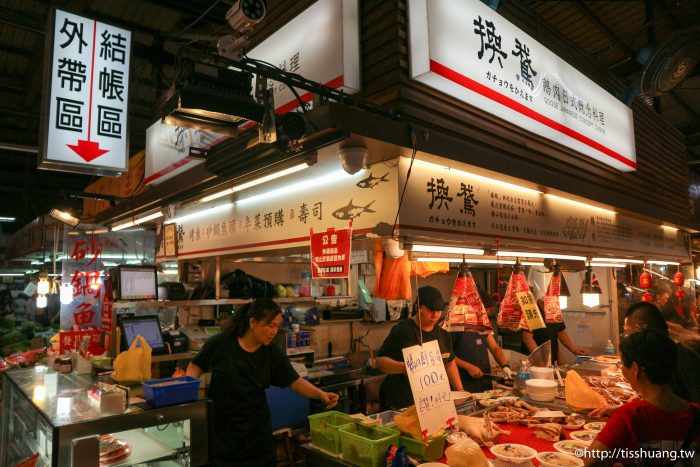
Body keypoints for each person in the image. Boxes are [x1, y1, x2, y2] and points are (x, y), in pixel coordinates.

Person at [186, 298, 339, 466]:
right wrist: (190, 395)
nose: (274, 332)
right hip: (224, 432)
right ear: (253, 323)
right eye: (270, 326)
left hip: (257, 435)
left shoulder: (271, 352)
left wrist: (320, 394)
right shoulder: (221, 344)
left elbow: (295, 381)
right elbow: (195, 365)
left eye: (277, 326)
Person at [584, 330, 700, 465]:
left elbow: (591, 461)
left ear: (635, 369)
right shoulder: (696, 412)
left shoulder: (631, 415)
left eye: (621, 364)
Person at [590, 302, 700, 418]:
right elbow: (659, 401)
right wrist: (630, 408)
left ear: (638, 330)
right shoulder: (657, 355)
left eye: (627, 333)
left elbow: (683, 407)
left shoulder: (683, 358)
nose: (628, 339)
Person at [376, 286, 465, 410]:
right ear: (419, 308)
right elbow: (380, 362)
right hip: (404, 403)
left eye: (439, 311)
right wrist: (404, 368)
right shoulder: (402, 331)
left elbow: (449, 362)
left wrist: (460, 391)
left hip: (432, 404)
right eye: (430, 311)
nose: (435, 316)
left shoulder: (443, 334)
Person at [452, 289, 514, 392]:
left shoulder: (483, 323)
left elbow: (494, 348)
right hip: (463, 383)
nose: (487, 313)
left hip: (484, 383)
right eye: (485, 310)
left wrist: (505, 366)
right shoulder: (454, 325)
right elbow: (446, 355)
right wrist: (467, 367)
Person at [521, 299, 588, 365]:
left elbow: (560, 332)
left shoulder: (553, 309)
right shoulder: (531, 308)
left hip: (550, 363)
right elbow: (527, 338)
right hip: (534, 364)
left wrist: (574, 350)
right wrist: (540, 359)